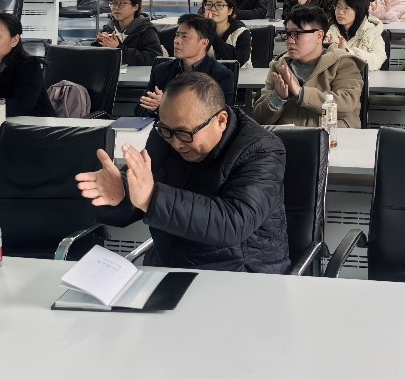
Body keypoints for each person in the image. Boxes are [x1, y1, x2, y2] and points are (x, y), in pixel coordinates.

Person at [77, 73, 290, 273]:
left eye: (185, 133)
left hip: (239, 273)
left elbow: (233, 223)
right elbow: (143, 185)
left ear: (221, 121)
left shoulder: (262, 150)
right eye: (166, 130)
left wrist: (151, 197)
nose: (176, 143)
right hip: (171, 265)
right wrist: (122, 193)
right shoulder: (165, 135)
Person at [252, 6, 365, 128]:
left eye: (297, 34)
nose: (290, 40)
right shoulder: (280, 66)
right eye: (288, 34)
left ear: (319, 36)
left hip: (331, 136)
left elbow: (346, 104)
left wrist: (301, 93)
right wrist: (277, 98)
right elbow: (258, 118)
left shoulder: (343, 62)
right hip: (286, 137)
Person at [135, 14, 235, 115]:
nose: (177, 41)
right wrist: (152, 109)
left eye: (184, 36)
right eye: (177, 35)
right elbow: (139, 110)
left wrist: (167, 105)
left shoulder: (221, 76)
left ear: (204, 43)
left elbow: (220, 116)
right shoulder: (161, 70)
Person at [92, 0, 163, 65]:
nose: (116, 7)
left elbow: (154, 58)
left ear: (135, 7)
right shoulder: (109, 28)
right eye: (113, 3)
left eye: (122, 3)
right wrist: (100, 43)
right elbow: (94, 55)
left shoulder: (146, 29)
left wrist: (119, 49)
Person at [327, 0, 387, 72]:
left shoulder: (372, 31)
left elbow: (377, 61)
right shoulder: (329, 31)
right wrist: (330, 49)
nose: (340, 12)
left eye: (346, 8)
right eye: (338, 6)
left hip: (363, 78)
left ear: (358, 10)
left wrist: (348, 52)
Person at [201, 0, 252, 67]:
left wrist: (211, 32)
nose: (213, 9)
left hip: (239, 73)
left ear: (230, 11)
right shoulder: (198, 30)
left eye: (219, 5)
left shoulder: (241, 32)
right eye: (209, 4)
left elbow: (238, 61)